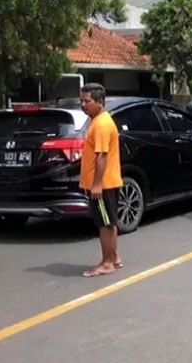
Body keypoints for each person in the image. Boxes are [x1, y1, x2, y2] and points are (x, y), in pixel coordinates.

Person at [79, 83, 124, 278]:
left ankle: (107, 263)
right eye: (81, 100)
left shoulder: (102, 124)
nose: (83, 105)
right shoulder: (98, 121)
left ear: (100, 102)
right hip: (106, 183)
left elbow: (102, 156)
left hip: (103, 184)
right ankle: (113, 258)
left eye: (87, 101)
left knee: (104, 224)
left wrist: (96, 184)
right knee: (109, 221)